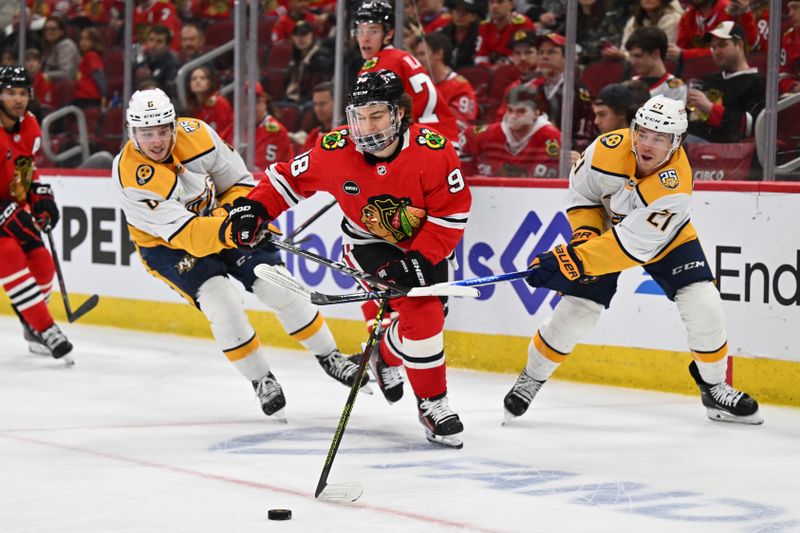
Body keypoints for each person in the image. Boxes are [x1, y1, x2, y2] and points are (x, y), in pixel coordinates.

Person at [225, 69, 472, 448]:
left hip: (424, 242)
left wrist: (421, 257)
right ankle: (433, 405)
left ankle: (384, 355)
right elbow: (285, 181)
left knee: (424, 320)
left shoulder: (434, 151)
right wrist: (252, 209)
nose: (366, 126)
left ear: (400, 114)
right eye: (359, 115)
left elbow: (451, 215)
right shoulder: (335, 149)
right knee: (423, 316)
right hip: (367, 244)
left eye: (376, 115)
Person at [504, 94, 763, 426]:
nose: (647, 143)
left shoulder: (675, 186)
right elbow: (582, 196)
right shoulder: (605, 148)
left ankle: (714, 387)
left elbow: (632, 244)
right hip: (607, 233)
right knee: (577, 310)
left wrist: (575, 261)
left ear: (677, 142)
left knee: (705, 304)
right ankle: (532, 377)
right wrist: (583, 237)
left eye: (659, 138)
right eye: (643, 132)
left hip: (666, 240)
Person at [113, 88, 369, 420]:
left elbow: (239, 182)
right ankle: (261, 379)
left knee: (277, 284)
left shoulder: (198, 135)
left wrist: (244, 215)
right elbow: (188, 235)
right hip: (168, 246)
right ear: (132, 133)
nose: (157, 141)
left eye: (163, 130)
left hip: (221, 222)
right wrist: (231, 226)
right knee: (221, 302)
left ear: (174, 125)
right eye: (147, 134)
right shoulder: (131, 177)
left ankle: (330, 356)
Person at [0, 65, 72, 361]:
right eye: (9, 93)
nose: (18, 99)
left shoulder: (29, 126)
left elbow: (23, 173)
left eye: (22, 93)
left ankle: (32, 327)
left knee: (42, 261)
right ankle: (46, 328)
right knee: (9, 254)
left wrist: (39, 196)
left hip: (8, 206)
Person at [353, 0, 458, 145]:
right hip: (441, 137)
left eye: (373, 31)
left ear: (389, 33)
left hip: (423, 142)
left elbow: (372, 119)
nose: (365, 38)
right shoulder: (400, 57)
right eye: (360, 31)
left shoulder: (379, 65)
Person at [685, 21, 764, 143]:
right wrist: (689, 108)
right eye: (713, 47)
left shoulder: (758, 82)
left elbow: (751, 127)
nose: (716, 52)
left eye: (722, 45)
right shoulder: (709, 79)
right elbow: (694, 119)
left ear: (740, 45)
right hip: (693, 143)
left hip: (727, 150)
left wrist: (710, 108)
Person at [462, 85, 561, 178]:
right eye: (510, 110)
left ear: (536, 113)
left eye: (521, 111)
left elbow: (542, 184)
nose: (513, 116)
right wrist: (472, 178)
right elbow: (464, 144)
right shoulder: (487, 133)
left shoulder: (550, 137)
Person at [412, 33, 477, 151]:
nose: (418, 60)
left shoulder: (460, 86)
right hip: (421, 142)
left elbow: (460, 125)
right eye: (416, 55)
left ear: (439, 54)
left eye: (422, 54)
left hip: (450, 146)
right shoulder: (419, 85)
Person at [625, 26, 686, 103]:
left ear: (656, 53)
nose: (632, 62)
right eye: (631, 56)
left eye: (638, 56)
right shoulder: (631, 84)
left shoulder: (676, 87)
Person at [284, 20, 333, 104]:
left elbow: (318, 88)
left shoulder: (321, 58)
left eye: (304, 34)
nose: (300, 38)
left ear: (312, 36)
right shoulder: (295, 59)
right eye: (296, 35)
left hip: (310, 101)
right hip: (292, 100)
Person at [474, 0, 535, 67]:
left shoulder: (522, 23)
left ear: (511, 4)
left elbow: (527, 55)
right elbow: (481, 57)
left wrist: (501, 68)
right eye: (491, 2)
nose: (494, 6)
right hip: (490, 71)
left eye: (500, 2)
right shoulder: (484, 26)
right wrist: (491, 68)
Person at [133, 24, 179, 97]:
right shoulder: (142, 63)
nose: (153, 45)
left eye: (159, 41)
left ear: (167, 45)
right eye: (151, 40)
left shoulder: (172, 65)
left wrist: (150, 78)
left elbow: (170, 93)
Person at [185, 65, 232, 135]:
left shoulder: (219, 102)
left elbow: (224, 131)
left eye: (203, 78)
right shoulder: (194, 106)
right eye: (194, 79)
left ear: (209, 82)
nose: (198, 81)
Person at [40, 16, 80, 84]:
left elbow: (67, 73)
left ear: (61, 31)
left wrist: (44, 76)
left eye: (53, 29)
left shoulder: (66, 45)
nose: (49, 32)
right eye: (46, 29)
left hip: (66, 88)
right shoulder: (49, 47)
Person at [74, 27, 106, 109]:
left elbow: (98, 74)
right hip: (83, 95)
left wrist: (103, 95)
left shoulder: (91, 55)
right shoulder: (85, 57)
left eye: (87, 39)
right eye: (81, 39)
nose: (83, 42)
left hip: (89, 97)